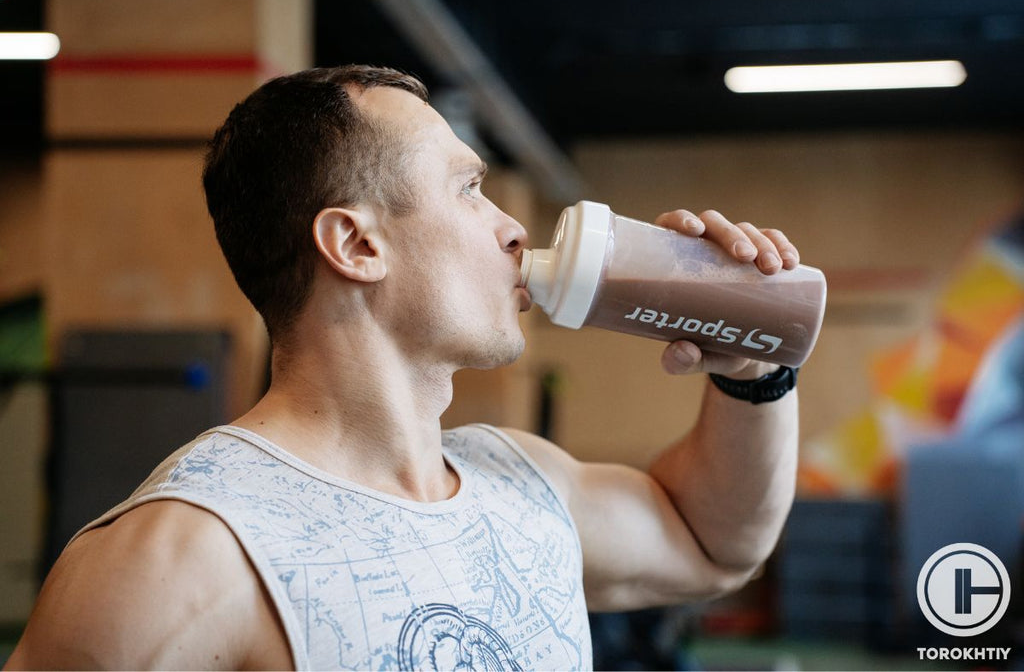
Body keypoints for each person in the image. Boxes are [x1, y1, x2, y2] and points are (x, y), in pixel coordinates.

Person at [6, 65, 802, 671]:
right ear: (356, 245)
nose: (514, 227)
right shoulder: (184, 553)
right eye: (470, 190)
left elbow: (714, 543)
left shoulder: (525, 484)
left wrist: (752, 370)